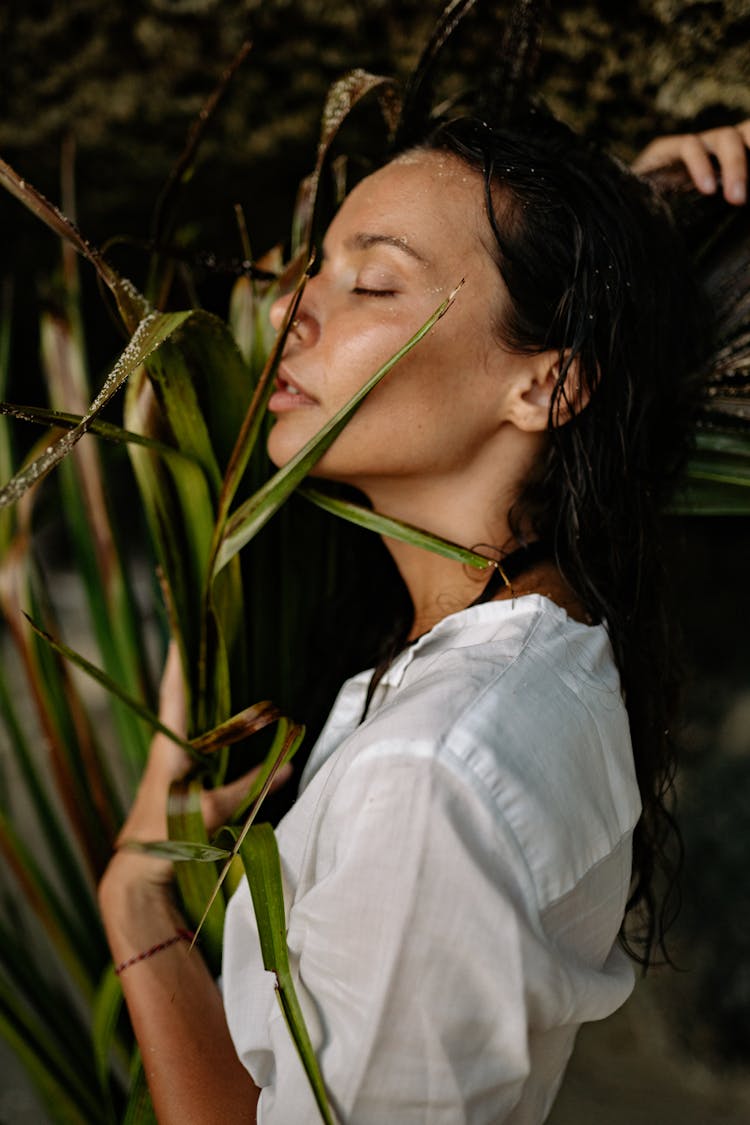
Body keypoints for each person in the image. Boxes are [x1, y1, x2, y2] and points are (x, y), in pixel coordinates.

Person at [98, 114, 749, 1125]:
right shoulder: (540, 640)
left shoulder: (432, 776)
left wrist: (135, 897)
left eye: (373, 282)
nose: (288, 315)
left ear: (548, 382)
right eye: (316, 271)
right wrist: (640, 210)